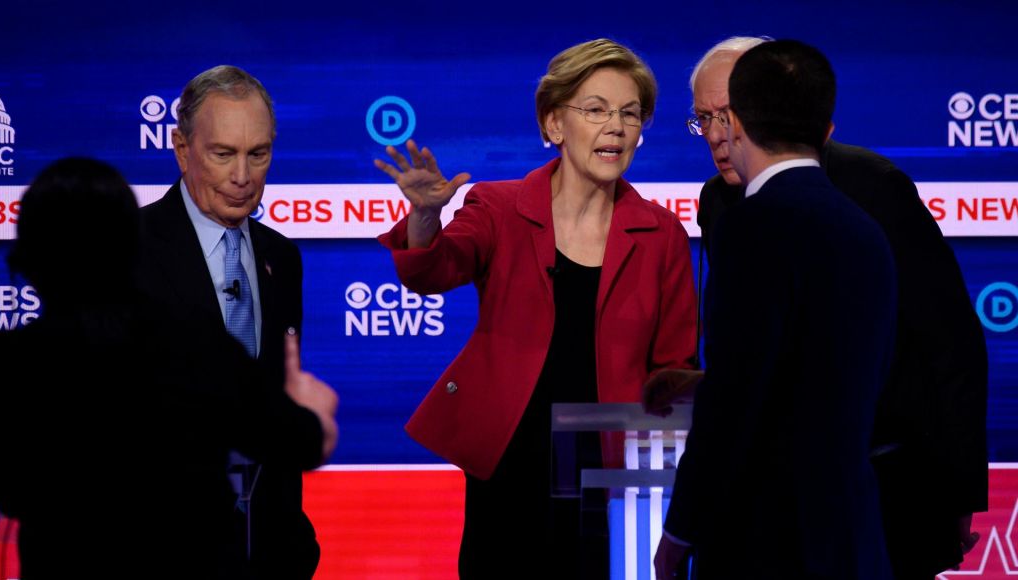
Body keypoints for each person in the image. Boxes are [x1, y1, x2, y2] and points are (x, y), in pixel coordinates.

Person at [374, 39, 697, 579]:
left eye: (630, 114)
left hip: (612, 474)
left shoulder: (662, 233)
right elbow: (433, 272)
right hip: (510, 465)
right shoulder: (498, 208)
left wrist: (663, 491)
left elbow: (674, 371)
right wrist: (427, 216)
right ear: (553, 124)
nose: (615, 127)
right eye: (595, 110)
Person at [689, 36, 988, 579]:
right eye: (702, 119)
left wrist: (960, 490)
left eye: (726, 115)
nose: (715, 135)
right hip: (763, 504)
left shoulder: (873, 186)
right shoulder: (717, 202)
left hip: (885, 481)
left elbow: (951, 342)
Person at [0, 157, 337, 579]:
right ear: (133, 247)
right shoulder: (197, 344)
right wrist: (312, 412)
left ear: (27, 262)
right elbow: (297, 442)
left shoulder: (10, 364)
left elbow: (12, 492)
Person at [655, 40, 898, 579]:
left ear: (737, 121)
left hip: (768, 537)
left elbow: (736, 400)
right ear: (825, 127)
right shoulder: (865, 228)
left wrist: (680, 530)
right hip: (852, 536)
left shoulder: (753, 225)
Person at [135, 65, 319, 579]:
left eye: (257, 154)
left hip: (270, 552)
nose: (243, 176)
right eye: (223, 154)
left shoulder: (281, 258)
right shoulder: (125, 250)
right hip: (159, 551)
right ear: (181, 149)